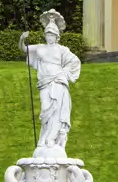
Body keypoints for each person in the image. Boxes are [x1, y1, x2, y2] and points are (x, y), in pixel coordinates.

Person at [19, 9, 81, 156]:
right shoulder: (40, 48)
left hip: (58, 83)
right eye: (47, 34)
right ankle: (45, 138)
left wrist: (64, 74)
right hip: (44, 84)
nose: (49, 37)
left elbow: (75, 62)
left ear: (56, 36)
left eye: (52, 35)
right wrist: (22, 39)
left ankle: (51, 140)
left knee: (57, 111)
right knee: (46, 110)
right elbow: (24, 49)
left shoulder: (62, 50)